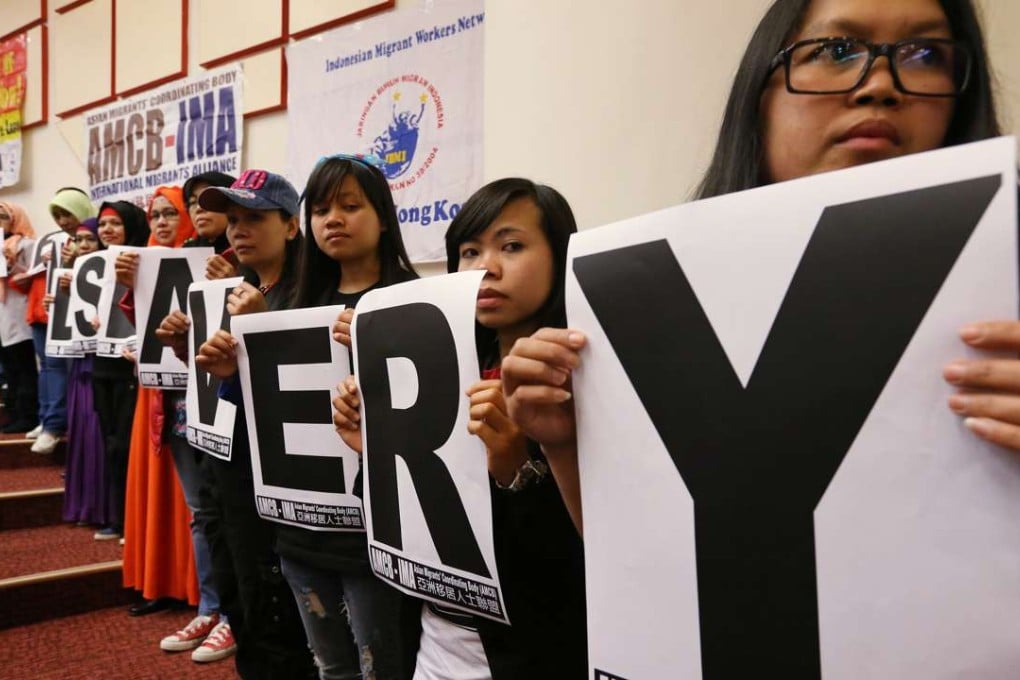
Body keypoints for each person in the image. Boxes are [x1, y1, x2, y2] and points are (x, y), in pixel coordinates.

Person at [500, 0, 1011, 533]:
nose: (882, 85)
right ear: (759, 93)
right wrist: (565, 443)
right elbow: (654, 567)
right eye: (836, 50)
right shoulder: (660, 298)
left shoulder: (1003, 290)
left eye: (924, 53)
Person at [332, 178, 588, 679]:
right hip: (433, 640)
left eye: (511, 246)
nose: (485, 268)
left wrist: (517, 470)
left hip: (532, 650)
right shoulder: (437, 368)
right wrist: (375, 453)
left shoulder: (583, 373)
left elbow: (578, 560)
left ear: (559, 255)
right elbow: (401, 528)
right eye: (470, 251)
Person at [197, 156, 418, 680]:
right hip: (300, 530)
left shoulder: (411, 299)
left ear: (383, 216)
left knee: (382, 667)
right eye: (321, 209)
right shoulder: (294, 302)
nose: (332, 219)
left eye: (349, 206)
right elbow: (267, 416)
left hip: (376, 535)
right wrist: (235, 370)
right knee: (331, 667)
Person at [185, 169, 317, 679]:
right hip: (227, 468)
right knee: (240, 598)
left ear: (290, 226)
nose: (238, 229)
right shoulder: (237, 290)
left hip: (278, 486)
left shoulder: (308, 294)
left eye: (255, 218)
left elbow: (302, 402)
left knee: (278, 612)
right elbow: (228, 385)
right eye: (233, 219)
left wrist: (262, 328)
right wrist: (187, 346)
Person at [148, 172, 238, 664]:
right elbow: (149, 328)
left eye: (209, 201)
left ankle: (234, 616)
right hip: (185, 403)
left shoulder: (252, 261)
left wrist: (238, 285)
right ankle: (211, 605)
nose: (197, 211)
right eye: (191, 203)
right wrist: (129, 292)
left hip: (232, 407)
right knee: (202, 513)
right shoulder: (179, 258)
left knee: (232, 514)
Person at [117, 186, 200, 617]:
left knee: (196, 502)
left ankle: (196, 590)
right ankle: (159, 581)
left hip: (196, 394)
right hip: (154, 395)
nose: (163, 222)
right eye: (156, 215)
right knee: (159, 490)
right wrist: (131, 287)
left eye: (172, 213)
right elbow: (144, 326)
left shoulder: (208, 261)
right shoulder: (140, 262)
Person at [91, 200, 150, 541]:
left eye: (115, 223)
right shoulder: (93, 267)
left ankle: (132, 522)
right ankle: (117, 518)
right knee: (111, 442)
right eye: (103, 224)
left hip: (130, 367)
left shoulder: (146, 261)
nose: (107, 231)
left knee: (127, 446)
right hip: (102, 365)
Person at [29, 188, 96, 454]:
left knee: (59, 369)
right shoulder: (57, 242)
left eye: (66, 213)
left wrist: (78, 260)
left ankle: (54, 425)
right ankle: (49, 419)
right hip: (59, 317)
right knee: (49, 365)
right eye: (57, 215)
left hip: (91, 330)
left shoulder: (95, 238)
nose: (62, 221)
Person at [57, 218, 111, 527]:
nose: (84, 245)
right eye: (78, 240)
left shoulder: (111, 270)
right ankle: (84, 506)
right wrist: (60, 295)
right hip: (79, 361)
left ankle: (101, 507)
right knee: (81, 430)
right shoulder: (70, 273)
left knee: (96, 433)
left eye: (89, 238)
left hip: (99, 360)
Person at [0, 201, 39, 434]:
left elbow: (35, 277)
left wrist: (13, 265)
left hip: (20, 313)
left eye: (3, 216)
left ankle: (29, 414)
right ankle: (13, 412)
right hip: (3, 317)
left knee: (24, 367)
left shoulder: (27, 244)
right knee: (9, 369)